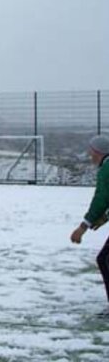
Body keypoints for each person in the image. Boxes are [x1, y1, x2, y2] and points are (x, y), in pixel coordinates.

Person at [71, 134, 109, 315]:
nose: (89, 154)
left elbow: (101, 199)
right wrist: (106, 217)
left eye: (91, 151)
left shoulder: (107, 168)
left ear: (97, 151)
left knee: (105, 260)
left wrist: (83, 226)